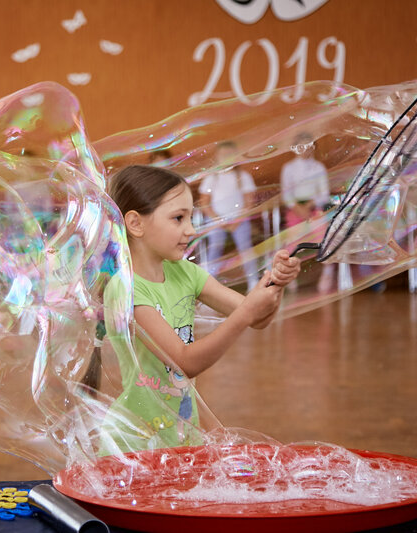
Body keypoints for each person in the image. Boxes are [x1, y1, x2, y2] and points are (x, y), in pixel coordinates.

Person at [101, 165, 299, 451]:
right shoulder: (127, 289)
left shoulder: (186, 273)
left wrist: (274, 283)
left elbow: (256, 317)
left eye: (191, 217)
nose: (191, 230)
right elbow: (184, 361)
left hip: (181, 432)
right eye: (178, 218)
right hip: (136, 443)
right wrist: (246, 313)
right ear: (136, 224)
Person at [198, 141, 259, 292]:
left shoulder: (243, 176)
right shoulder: (212, 178)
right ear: (217, 157)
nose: (226, 157)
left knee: (245, 247)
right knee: (215, 247)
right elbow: (205, 203)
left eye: (230, 154)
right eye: (223, 154)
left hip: (239, 219)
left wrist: (237, 219)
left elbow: (249, 201)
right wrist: (218, 220)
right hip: (215, 220)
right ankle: (209, 286)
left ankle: (253, 280)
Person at [279, 133, 336, 292]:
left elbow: (324, 193)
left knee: (324, 239)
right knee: (292, 242)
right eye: (302, 146)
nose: (306, 149)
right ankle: (290, 277)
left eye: (309, 145)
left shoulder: (318, 167)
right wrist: (298, 208)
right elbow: (286, 194)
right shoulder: (288, 168)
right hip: (295, 209)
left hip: (314, 209)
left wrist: (310, 205)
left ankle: (327, 272)